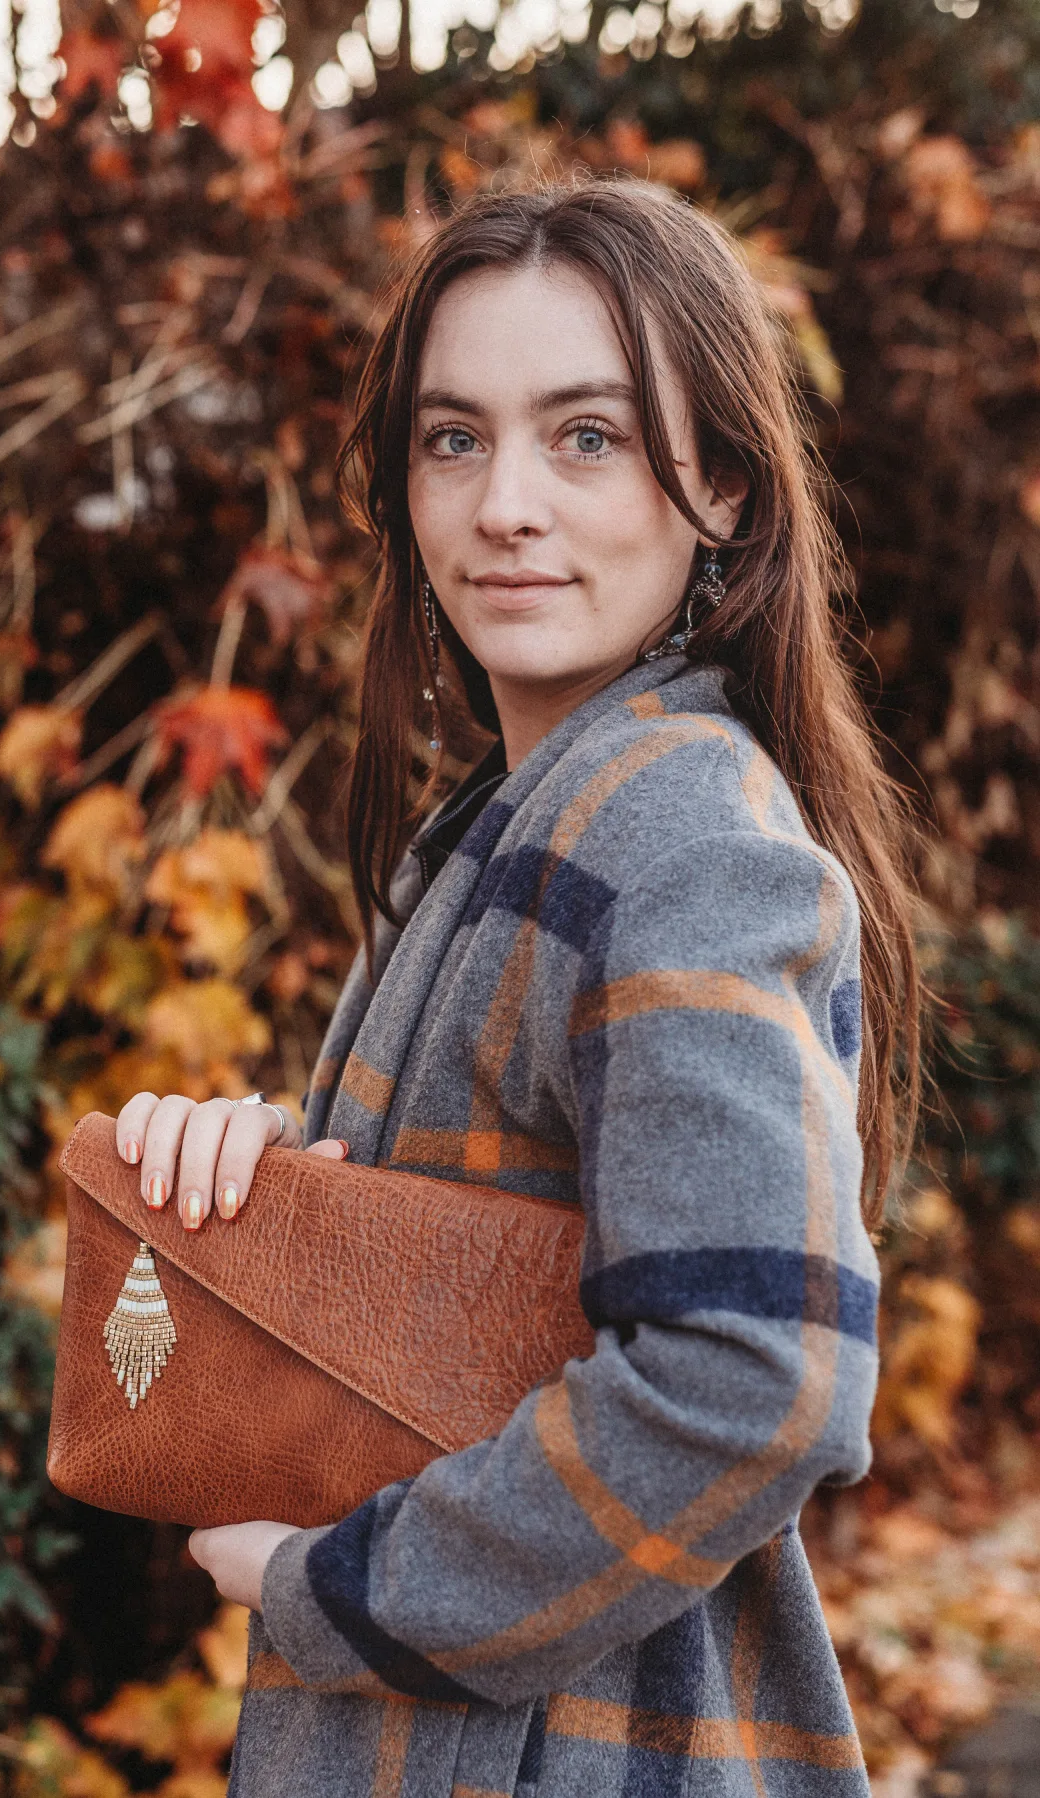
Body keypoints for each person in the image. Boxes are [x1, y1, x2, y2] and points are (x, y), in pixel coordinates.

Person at [104, 179, 920, 1798]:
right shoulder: (505, 824)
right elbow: (491, 1293)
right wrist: (261, 1198)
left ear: (728, 492)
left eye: (590, 436)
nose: (507, 505)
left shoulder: (674, 829)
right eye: (455, 437)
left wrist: (344, 1588)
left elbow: (758, 1375)